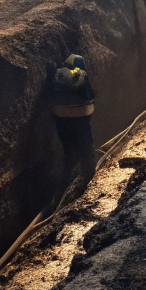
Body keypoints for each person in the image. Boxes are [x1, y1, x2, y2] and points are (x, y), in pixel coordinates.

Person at [44, 53, 98, 199]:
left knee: (68, 148)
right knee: (86, 147)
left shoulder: (57, 73)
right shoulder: (81, 72)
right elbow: (89, 95)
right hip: (81, 114)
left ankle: (66, 182)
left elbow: (49, 95)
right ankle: (90, 178)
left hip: (61, 115)